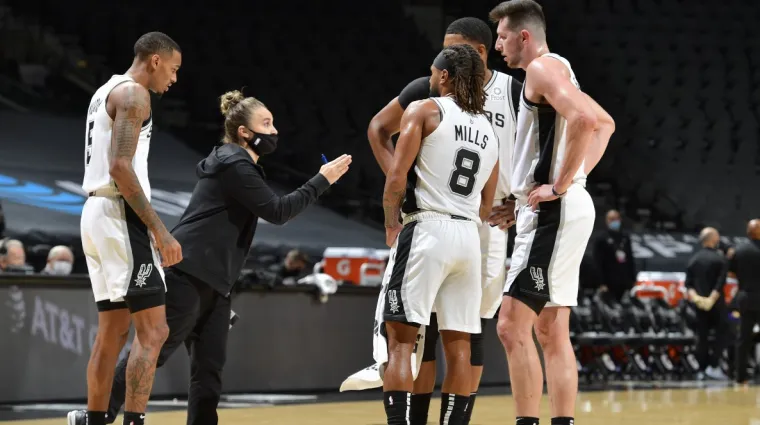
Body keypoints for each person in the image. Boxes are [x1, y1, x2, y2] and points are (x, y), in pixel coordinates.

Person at [68, 90, 351, 425]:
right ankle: (96, 417)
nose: (274, 131)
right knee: (150, 352)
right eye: (266, 123)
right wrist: (323, 180)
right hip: (188, 272)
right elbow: (278, 211)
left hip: (215, 282)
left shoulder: (237, 163)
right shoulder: (234, 163)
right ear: (245, 132)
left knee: (209, 371)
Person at [367, 17, 521, 424]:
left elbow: (396, 181)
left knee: (402, 343)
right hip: (471, 236)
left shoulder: (425, 109)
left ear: (446, 77)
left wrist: (390, 222)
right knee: (461, 347)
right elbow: (488, 204)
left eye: (435, 74)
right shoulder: (488, 129)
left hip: (427, 228)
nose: (430, 79)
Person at [490, 1, 616, 424]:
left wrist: (558, 186)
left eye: (502, 36)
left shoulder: (542, 69)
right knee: (549, 329)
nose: (497, 44)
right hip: (561, 207)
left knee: (510, 325)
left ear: (524, 36)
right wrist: (568, 179)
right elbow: (605, 123)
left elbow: (584, 119)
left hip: (554, 212)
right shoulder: (558, 70)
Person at [73, 31, 183, 425]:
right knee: (154, 332)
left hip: (95, 212)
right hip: (120, 214)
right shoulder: (135, 95)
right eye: (172, 69)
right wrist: (159, 229)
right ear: (155, 60)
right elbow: (121, 167)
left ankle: (95, 419)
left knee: (114, 331)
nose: (173, 79)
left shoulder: (105, 89)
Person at [685, 227, 729, 380]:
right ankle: (714, 365)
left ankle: (701, 369)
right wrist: (711, 298)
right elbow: (720, 282)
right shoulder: (720, 259)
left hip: (699, 304)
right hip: (716, 304)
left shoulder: (693, 260)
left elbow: (688, 284)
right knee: (722, 333)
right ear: (712, 239)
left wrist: (697, 298)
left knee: (701, 336)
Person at [729, 219, 760, 385]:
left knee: (743, 338)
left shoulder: (738, 250)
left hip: (745, 297)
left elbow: (731, 273)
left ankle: (740, 376)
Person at [593, 209, 637, 301]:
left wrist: (633, 280)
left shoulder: (625, 237)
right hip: (609, 282)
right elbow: (598, 262)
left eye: (616, 219)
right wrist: (601, 283)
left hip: (624, 281)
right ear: (607, 221)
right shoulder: (601, 239)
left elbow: (630, 259)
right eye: (612, 219)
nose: (615, 221)